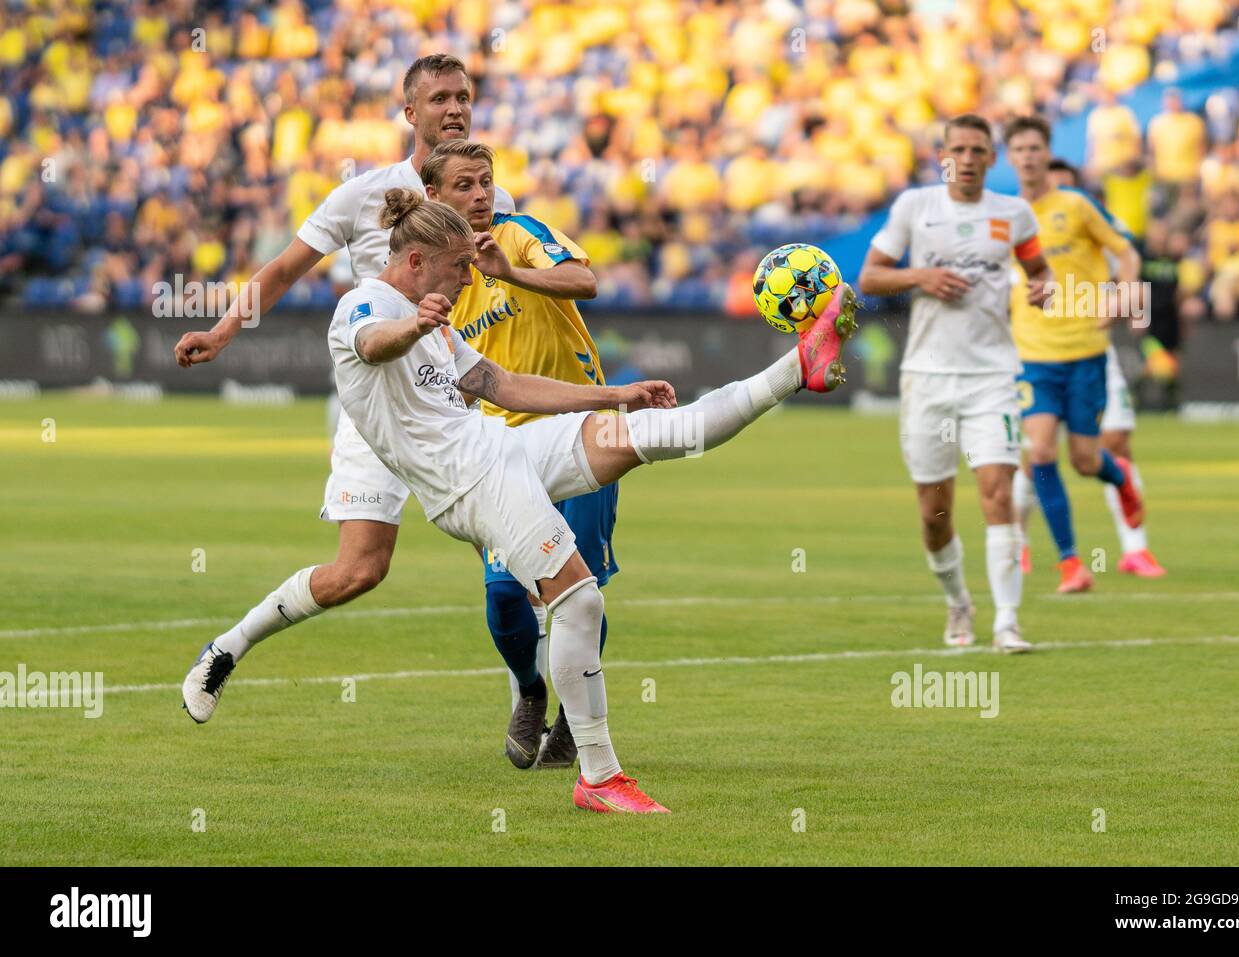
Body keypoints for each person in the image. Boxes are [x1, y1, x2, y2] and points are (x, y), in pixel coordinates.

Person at [186, 190, 860, 812]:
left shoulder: (440, 324)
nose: (467, 279)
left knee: (662, 432)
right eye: (456, 268)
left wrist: (613, 395)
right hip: (466, 484)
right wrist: (416, 327)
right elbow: (372, 343)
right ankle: (598, 776)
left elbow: (502, 385)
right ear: (415, 261)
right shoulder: (364, 306)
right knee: (581, 597)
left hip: (498, 446)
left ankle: (796, 368)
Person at [174, 56, 523, 723]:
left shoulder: (493, 199)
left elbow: (507, 293)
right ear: (409, 111)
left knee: (510, 544)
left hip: (453, 395)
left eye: (464, 97)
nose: (455, 108)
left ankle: (527, 696)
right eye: (440, 97)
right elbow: (282, 270)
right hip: (377, 402)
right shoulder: (363, 195)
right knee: (359, 570)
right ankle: (227, 646)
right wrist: (221, 333)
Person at [420, 139, 612, 770]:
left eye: (485, 183)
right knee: (504, 594)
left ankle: (570, 722)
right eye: (464, 186)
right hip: (504, 449)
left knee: (580, 590)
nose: (479, 196)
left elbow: (585, 280)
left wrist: (510, 272)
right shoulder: (438, 287)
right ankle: (530, 691)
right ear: (435, 198)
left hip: (581, 431)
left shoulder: (521, 233)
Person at [859, 113, 1052, 653]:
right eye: (958, 149)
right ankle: (958, 601)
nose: (967, 159)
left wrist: (1045, 288)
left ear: (993, 158)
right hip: (927, 377)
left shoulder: (1013, 214)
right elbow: (870, 276)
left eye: (978, 150)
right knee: (935, 513)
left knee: (998, 493)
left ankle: (1008, 622)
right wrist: (921, 276)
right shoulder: (914, 208)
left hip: (993, 375)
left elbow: (1039, 272)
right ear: (942, 155)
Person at [1003, 115, 1145, 594]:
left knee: (1086, 460)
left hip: (1085, 350)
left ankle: (1119, 476)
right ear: (1010, 157)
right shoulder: (1001, 215)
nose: (1026, 156)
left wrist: (1124, 296)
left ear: (1047, 152)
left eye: (1034, 148)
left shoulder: (1077, 206)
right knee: (1040, 451)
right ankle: (1071, 563)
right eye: (1018, 149)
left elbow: (1127, 253)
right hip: (1033, 355)